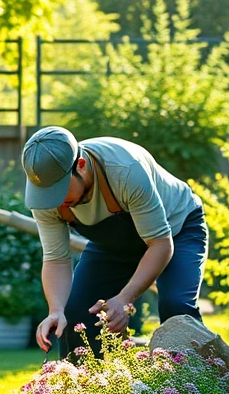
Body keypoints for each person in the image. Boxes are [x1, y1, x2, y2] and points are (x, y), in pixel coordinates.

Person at [22, 126, 208, 354]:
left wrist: (124, 299)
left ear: (80, 165)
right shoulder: (44, 195)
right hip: (115, 244)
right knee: (76, 313)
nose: (54, 201)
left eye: (60, 190)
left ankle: (194, 383)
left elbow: (160, 243)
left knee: (176, 307)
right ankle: (87, 388)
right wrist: (55, 310)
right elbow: (56, 259)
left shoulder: (125, 170)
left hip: (178, 229)